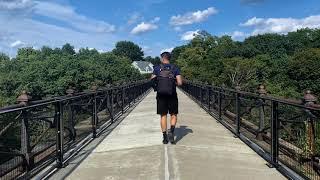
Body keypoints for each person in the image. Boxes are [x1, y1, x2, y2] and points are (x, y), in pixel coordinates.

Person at [151, 52, 182, 144]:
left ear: (162, 58)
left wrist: (157, 87)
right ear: (169, 58)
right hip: (172, 94)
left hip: (161, 95)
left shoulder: (157, 68)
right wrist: (173, 83)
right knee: (173, 114)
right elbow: (180, 83)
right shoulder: (175, 68)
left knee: (163, 115)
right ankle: (171, 132)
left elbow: (151, 80)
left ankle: (165, 138)